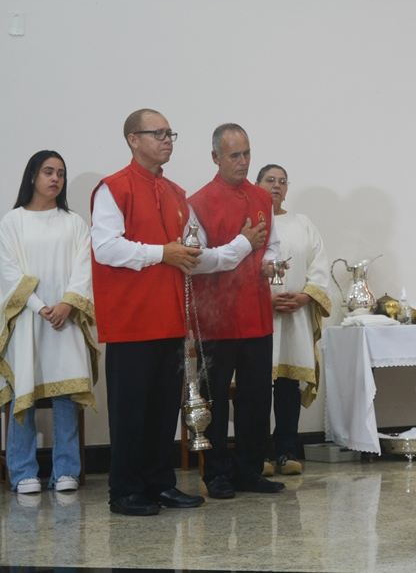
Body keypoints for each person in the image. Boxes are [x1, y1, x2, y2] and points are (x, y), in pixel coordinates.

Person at [91, 109, 264, 516]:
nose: (167, 140)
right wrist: (162, 253)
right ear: (134, 139)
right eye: (158, 133)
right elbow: (105, 247)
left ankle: (159, 483)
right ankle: (125, 490)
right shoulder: (113, 188)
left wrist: (238, 246)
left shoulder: (174, 193)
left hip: (171, 318)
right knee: (131, 409)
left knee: (162, 408)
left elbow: (192, 256)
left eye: (171, 133)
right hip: (131, 320)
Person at [189, 124, 284, 499]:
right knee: (213, 398)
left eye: (246, 154)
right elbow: (198, 261)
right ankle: (215, 473)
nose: (243, 161)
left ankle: (249, 469)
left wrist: (270, 263)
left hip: (256, 312)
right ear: (216, 157)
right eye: (234, 155)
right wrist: (244, 245)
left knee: (257, 396)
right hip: (217, 316)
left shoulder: (261, 197)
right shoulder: (198, 203)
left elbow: (272, 244)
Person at [0, 151, 98, 495]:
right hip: (28, 319)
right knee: (22, 389)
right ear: (33, 176)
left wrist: (67, 304)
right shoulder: (12, 221)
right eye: (48, 172)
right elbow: (8, 271)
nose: (55, 178)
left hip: (65, 320)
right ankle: (23, 470)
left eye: (60, 173)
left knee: (66, 392)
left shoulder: (73, 223)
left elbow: (84, 267)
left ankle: (66, 469)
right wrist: (40, 306)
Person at [256, 164, 331, 476]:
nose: (277, 185)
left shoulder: (302, 224)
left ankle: (286, 451)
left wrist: (304, 297)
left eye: (282, 181)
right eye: (270, 180)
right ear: (257, 185)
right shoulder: (249, 223)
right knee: (258, 388)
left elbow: (318, 265)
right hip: (258, 315)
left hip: (294, 317)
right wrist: (264, 300)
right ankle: (259, 454)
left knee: (287, 386)